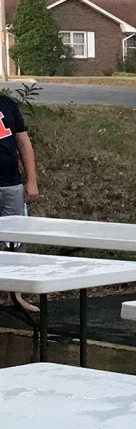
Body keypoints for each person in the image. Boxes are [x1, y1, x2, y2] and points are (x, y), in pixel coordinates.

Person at [0, 91, 40, 312]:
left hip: (11, 185)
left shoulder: (7, 104)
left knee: (15, 243)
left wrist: (31, 180)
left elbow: (23, 143)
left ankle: (16, 297)